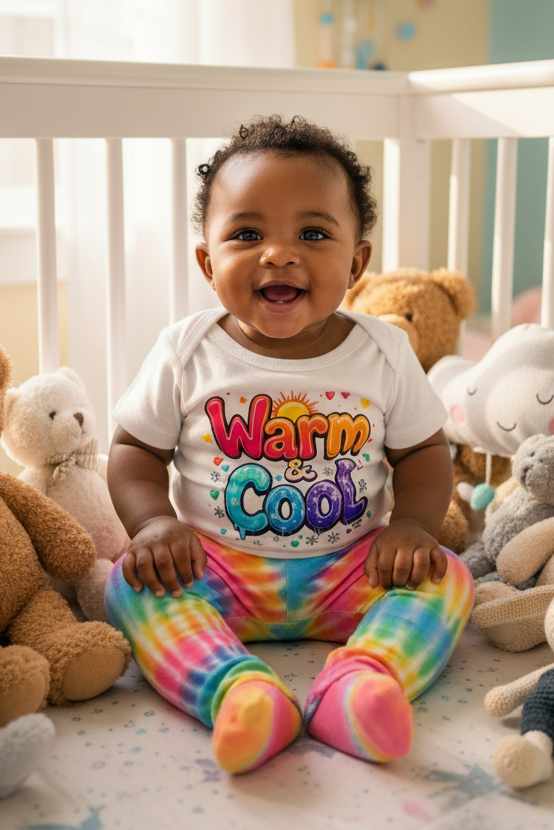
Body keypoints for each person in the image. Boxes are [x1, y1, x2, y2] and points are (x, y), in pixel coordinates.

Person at [105, 115, 474, 775]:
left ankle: (359, 685)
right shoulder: (187, 350)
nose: (279, 253)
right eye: (247, 234)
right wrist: (154, 522)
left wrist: (414, 525)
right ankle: (239, 691)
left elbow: (421, 454)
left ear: (356, 262)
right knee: (130, 586)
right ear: (207, 261)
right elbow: (133, 448)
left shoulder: (383, 350)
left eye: (312, 233)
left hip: (351, 568)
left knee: (447, 576)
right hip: (217, 568)